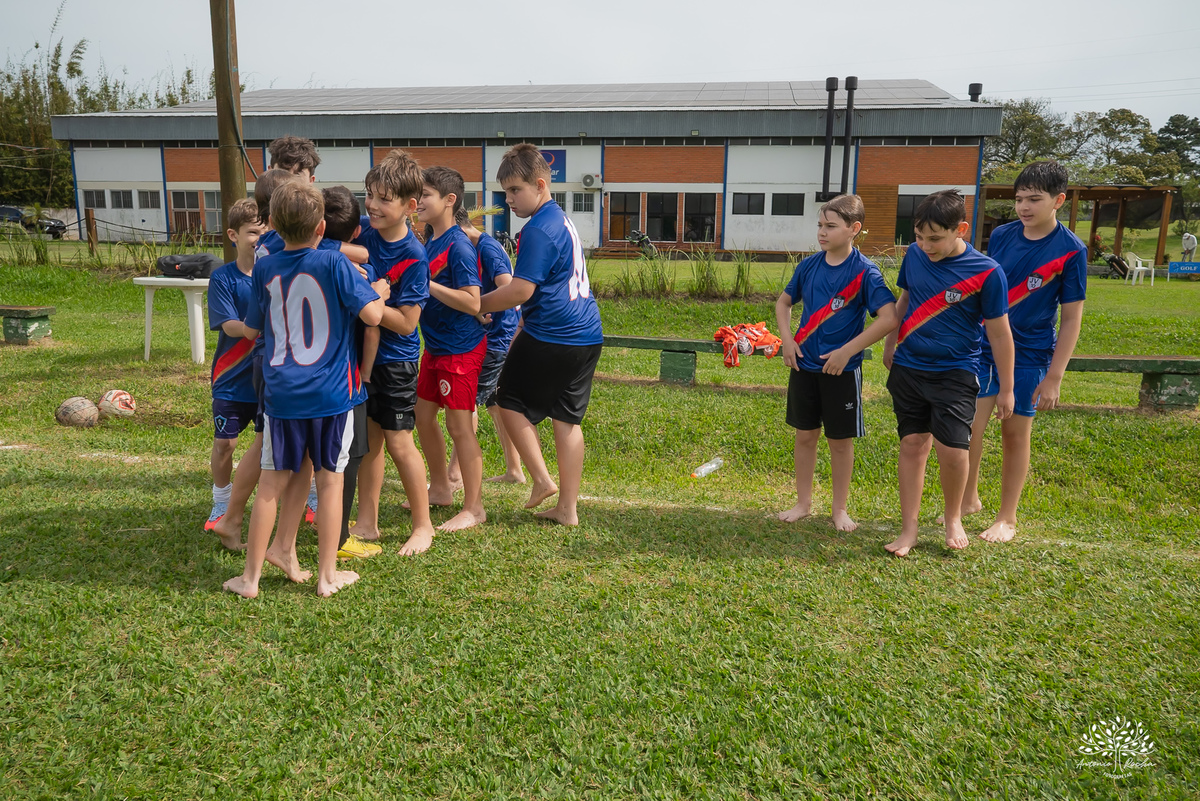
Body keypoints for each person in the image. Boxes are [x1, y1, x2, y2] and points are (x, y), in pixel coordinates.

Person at [223, 181, 387, 599]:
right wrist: (380, 293)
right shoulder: (335, 264)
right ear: (321, 227)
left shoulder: (264, 267)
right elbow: (371, 315)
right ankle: (327, 576)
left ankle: (250, 579)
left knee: (271, 485)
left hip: (282, 395)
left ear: (273, 223)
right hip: (332, 396)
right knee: (330, 482)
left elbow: (254, 328)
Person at [957, 161, 1086, 543]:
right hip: (982, 346)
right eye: (1018, 199)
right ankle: (968, 499)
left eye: (1034, 199)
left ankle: (1007, 518)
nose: (1024, 207)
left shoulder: (1071, 251)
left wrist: (1054, 378)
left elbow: (1071, 320)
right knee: (969, 427)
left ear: (1058, 200)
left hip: (1030, 353)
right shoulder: (1001, 236)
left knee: (1015, 433)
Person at [881, 190, 1015, 557]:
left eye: (935, 238)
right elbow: (904, 302)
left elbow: (1000, 333)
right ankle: (908, 529)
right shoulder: (914, 257)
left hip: (956, 372)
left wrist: (1007, 389)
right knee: (912, 444)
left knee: (953, 451)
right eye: (920, 237)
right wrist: (891, 344)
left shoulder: (987, 272)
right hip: (909, 367)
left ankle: (953, 516)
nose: (926, 245)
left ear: (962, 230)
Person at [479, 144, 603, 526]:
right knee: (567, 420)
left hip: (556, 333)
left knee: (506, 399)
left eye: (516, 190)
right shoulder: (560, 219)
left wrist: (478, 303)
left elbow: (521, 291)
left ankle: (541, 480)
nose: (510, 200)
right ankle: (567, 509)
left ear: (540, 184)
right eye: (505, 192)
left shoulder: (538, 229)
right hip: (587, 334)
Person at [774, 194, 897, 531]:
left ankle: (839, 509)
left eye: (831, 226)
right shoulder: (808, 266)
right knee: (804, 436)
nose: (822, 232)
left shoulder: (865, 273)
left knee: (839, 442)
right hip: (804, 366)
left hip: (841, 371)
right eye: (819, 225)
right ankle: (803, 503)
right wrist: (787, 339)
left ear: (854, 228)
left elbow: (889, 317)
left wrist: (847, 351)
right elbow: (783, 304)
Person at [349, 150, 437, 557]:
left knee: (400, 442)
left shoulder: (415, 256)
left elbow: (405, 323)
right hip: (361, 360)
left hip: (397, 363)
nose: (373, 205)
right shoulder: (363, 235)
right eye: (369, 195)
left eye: (384, 199)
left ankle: (423, 525)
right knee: (369, 443)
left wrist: (369, 303)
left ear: (410, 207)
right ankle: (367, 522)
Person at [413, 166, 487, 532]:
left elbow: (473, 302)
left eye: (425, 195)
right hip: (436, 348)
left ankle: (474, 507)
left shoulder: (458, 244)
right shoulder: (431, 240)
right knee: (423, 417)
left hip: (460, 349)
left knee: (460, 427)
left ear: (449, 200)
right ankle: (441, 487)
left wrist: (426, 285)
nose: (418, 202)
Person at [320, 185, 385, 561]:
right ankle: (340, 539)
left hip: (290, 375)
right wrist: (364, 372)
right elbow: (373, 322)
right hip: (342, 379)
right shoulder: (354, 269)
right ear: (356, 230)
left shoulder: (282, 256)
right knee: (350, 455)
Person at [447, 207, 525, 485]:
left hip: (495, 338)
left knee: (467, 403)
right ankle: (514, 470)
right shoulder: (480, 245)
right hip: (492, 336)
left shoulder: (488, 249)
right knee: (495, 404)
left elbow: (509, 287)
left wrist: (476, 306)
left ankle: (455, 474)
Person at [205, 197, 265, 548]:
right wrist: (259, 328)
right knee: (225, 443)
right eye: (252, 232)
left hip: (269, 378)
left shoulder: (277, 272)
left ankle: (313, 498)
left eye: (265, 231)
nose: (259, 238)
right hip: (231, 378)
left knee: (279, 444)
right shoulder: (224, 278)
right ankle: (221, 503)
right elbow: (228, 326)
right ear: (233, 235)